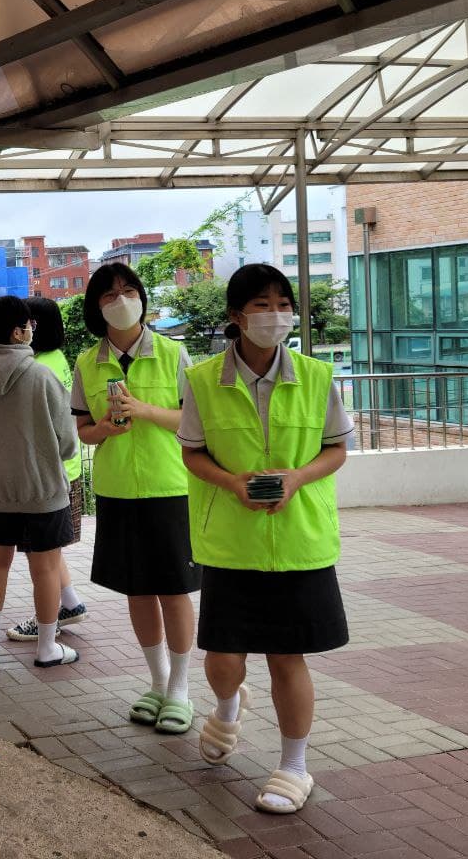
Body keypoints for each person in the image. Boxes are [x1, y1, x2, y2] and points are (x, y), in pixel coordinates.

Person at [179, 263, 353, 815]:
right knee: (224, 655)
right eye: (261, 304)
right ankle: (227, 710)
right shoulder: (203, 380)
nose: (275, 314)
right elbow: (192, 451)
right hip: (231, 542)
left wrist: (296, 478)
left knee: (287, 655)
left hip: (299, 540)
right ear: (236, 316)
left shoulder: (318, 376)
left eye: (283, 303)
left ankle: (294, 767)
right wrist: (231, 483)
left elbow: (336, 448)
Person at [71, 262, 199, 734]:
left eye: (128, 290)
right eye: (109, 294)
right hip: (117, 488)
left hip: (170, 486)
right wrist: (105, 427)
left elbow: (194, 422)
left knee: (175, 588)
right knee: (138, 589)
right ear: (96, 306)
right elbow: (84, 431)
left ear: (143, 298)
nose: (120, 299)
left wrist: (144, 410)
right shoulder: (87, 362)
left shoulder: (173, 353)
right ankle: (158, 681)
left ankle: (182, 688)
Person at [0, 296, 80, 668]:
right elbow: (68, 443)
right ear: (18, 331)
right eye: (29, 324)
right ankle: (46, 649)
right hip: (43, 492)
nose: (32, 330)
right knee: (44, 569)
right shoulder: (42, 376)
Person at [6, 296, 89, 643]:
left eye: (25, 321)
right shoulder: (53, 359)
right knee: (48, 553)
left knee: (41, 556)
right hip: (62, 470)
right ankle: (68, 605)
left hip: (47, 473)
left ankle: (48, 621)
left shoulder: (40, 366)